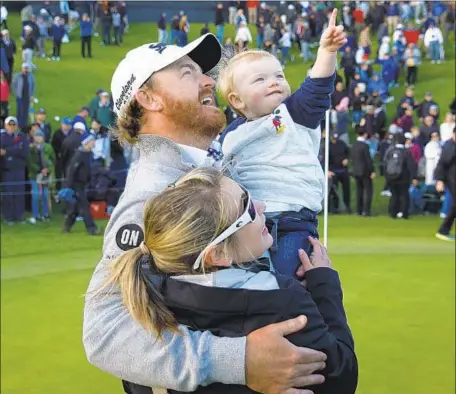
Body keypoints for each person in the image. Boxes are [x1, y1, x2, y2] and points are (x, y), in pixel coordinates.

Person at [84, 33, 329, 394]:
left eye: (203, 71)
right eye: (187, 73)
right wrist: (237, 360)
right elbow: (104, 334)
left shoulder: (211, 165)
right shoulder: (151, 195)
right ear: (149, 98)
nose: (209, 80)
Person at [100, 167, 358, 394]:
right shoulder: (284, 300)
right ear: (218, 254)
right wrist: (325, 287)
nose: (261, 206)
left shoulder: (144, 295)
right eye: (247, 209)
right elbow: (341, 377)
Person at [217, 9, 346, 278]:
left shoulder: (294, 114)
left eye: (279, 76)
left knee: (284, 285)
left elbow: (318, 86)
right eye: (260, 79)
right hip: (246, 224)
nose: (274, 82)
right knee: (245, 286)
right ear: (237, 101)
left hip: (292, 222)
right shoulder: (229, 136)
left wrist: (327, 51)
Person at [61, 133, 100, 235]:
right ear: (88, 142)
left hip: (82, 184)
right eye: (92, 141)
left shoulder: (87, 154)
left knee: (74, 208)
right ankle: (91, 228)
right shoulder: (79, 155)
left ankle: (66, 227)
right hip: (76, 185)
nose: (94, 143)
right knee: (84, 206)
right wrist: (68, 187)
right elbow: (71, 170)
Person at [0, 116, 29, 224]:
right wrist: (16, 148)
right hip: (7, 170)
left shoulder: (21, 136)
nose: (11, 127)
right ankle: (8, 216)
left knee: (19, 193)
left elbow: (25, 151)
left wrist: (7, 151)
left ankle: (19, 215)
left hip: (19, 169)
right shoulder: (2, 137)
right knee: (8, 194)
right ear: (5, 125)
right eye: (9, 124)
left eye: (13, 125)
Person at [384, 133, 417, 219]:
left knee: (394, 195)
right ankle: (404, 213)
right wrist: (414, 177)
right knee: (404, 195)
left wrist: (387, 176)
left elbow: (385, 163)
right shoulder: (406, 152)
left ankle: (392, 212)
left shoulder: (390, 151)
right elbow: (411, 165)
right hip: (403, 177)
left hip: (391, 176)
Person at [27, 129, 55, 223]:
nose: (38, 138)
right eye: (36, 136)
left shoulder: (48, 147)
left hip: (46, 175)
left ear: (43, 138)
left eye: (40, 136)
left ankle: (46, 214)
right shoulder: (31, 148)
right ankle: (35, 215)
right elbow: (30, 162)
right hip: (35, 175)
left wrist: (47, 169)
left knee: (45, 194)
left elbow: (53, 160)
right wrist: (39, 170)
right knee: (35, 194)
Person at [435, 126, 456, 241]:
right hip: (452, 179)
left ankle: (444, 230)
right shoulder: (449, 146)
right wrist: (439, 180)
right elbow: (442, 164)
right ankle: (443, 230)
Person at [351, 128, 375, 216]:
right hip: (365, 171)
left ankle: (359, 210)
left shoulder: (354, 145)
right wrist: (372, 171)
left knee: (359, 191)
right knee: (368, 191)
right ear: (364, 134)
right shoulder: (364, 146)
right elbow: (368, 160)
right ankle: (366, 210)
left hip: (356, 170)